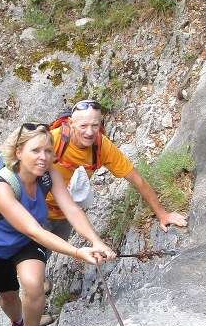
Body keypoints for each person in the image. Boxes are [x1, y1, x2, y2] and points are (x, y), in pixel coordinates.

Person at [0, 122, 116, 326]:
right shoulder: (0, 187)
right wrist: (79, 252)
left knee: (33, 284)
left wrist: (95, 241)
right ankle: (17, 324)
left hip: (26, 242)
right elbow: (35, 230)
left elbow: (70, 208)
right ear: (18, 152)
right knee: (8, 298)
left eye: (48, 151)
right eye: (35, 151)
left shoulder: (49, 173)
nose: (43, 157)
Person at [44, 98, 188, 244]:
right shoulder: (52, 140)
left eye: (95, 125)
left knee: (43, 255)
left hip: (65, 215)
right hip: (38, 207)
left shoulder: (102, 147)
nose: (89, 132)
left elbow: (137, 179)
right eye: (83, 125)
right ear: (70, 123)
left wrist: (163, 214)